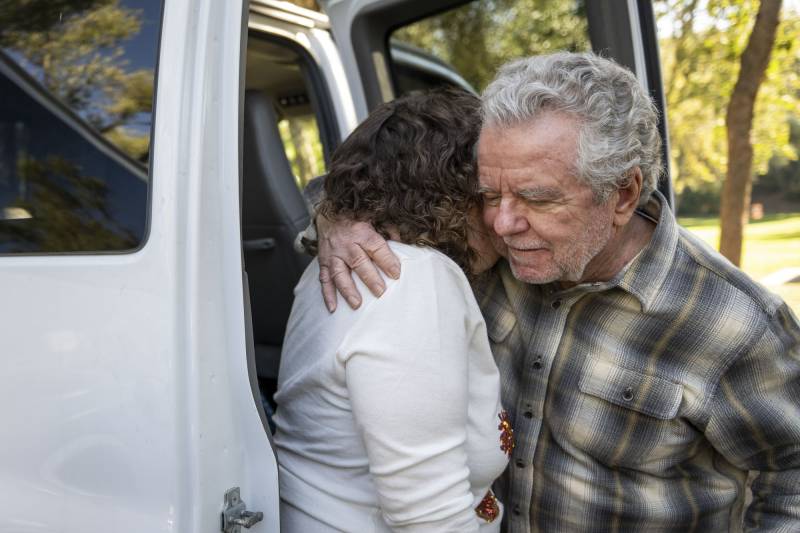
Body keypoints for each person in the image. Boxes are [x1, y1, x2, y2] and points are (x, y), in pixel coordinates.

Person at [312, 52, 800, 532]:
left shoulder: (738, 323)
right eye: (488, 195)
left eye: (538, 198)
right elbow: (375, 186)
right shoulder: (488, 253)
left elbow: (790, 474)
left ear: (624, 195)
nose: (503, 222)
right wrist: (335, 220)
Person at [272, 88, 512, 533]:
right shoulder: (415, 280)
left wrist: (330, 216)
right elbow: (430, 520)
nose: (508, 214)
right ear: (458, 196)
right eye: (493, 190)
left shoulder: (335, 256)